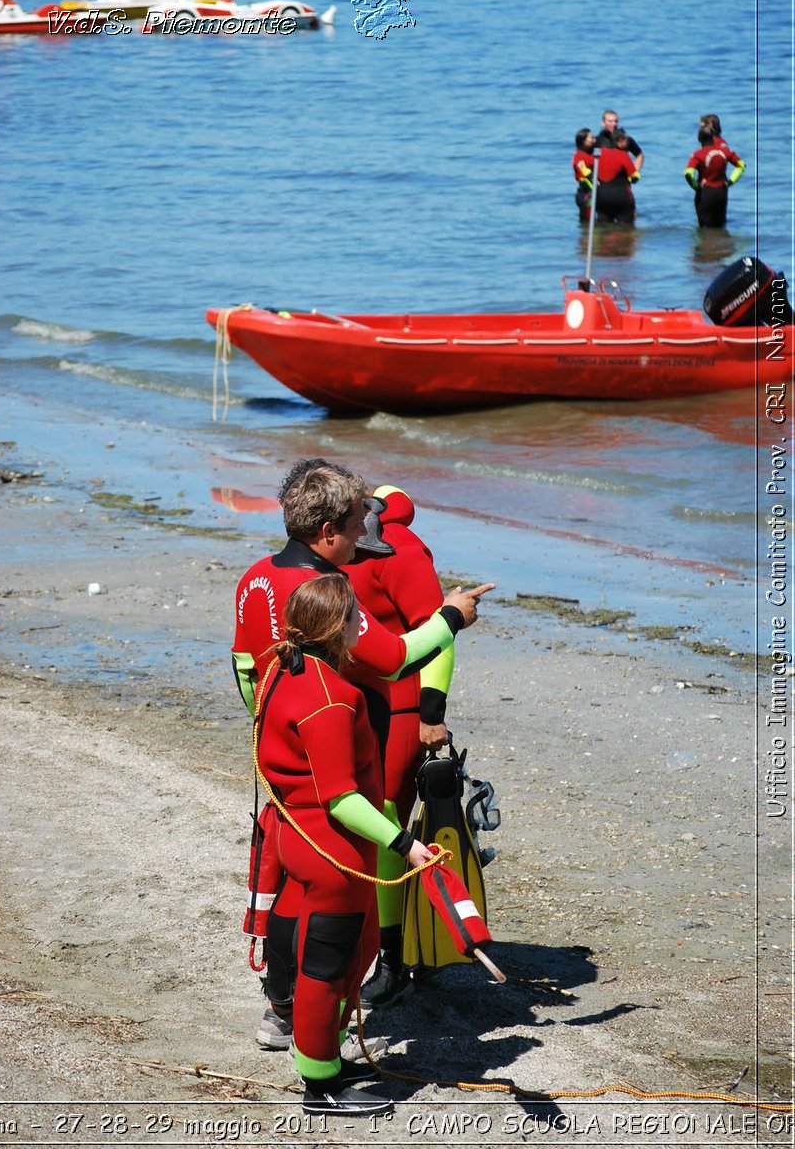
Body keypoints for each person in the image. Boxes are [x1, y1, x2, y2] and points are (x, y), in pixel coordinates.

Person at [233, 462, 492, 1049]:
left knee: (289, 885)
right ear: (327, 531)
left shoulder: (252, 578)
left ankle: (279, 1009)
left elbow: (244, 667)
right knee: (342, 904)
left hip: (280, 762)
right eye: (355, 527)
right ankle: (323, 1048)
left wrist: (272, 725)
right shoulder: (331, 594)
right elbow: (395, 656)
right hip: (337, 753)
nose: (364, 538)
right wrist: (453, 617)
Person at [255, 573, 434, 1117]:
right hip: (332, 851)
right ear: (336, 630)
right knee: (327, 969)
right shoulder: (332, 698)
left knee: (346, 959)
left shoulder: (280, 669)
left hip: (296, 837)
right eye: (357, 615)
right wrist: (403, 842)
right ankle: (321, 1086)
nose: (366, 623)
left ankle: (326, 1060)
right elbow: (340, 798)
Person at [344, 484, 454, 1007]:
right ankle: (389, 938)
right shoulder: (341, 547)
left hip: (403, 705)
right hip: (352, 701)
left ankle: (393, 961)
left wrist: (432, 713)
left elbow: (439, 632)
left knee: (384, 818)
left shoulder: (402, 554)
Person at [684, 123, 745, 228]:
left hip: (705, 192)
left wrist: (695, 186)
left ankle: (706, 243)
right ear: (712, 138)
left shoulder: (698, 154)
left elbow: (688, 173)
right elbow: (741, 165)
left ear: (699, 139)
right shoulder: (725, 151)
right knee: (720, 224)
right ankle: (723, 242)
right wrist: (730, 181)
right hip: (721, 191)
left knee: (704, 227)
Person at [596, 128, 640, 224]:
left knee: (603, 229)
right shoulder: (623, 155)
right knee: (627, 230)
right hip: (621, 197)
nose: (628, 142)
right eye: (626, 140)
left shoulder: (598, 153)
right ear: (620, 142)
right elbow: (635, 177)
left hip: (601, 198)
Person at [572, 128, 596, 223]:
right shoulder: (579, 156)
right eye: (591, 138)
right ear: (583, 141)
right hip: (586, 194)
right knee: (587, 224)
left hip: (591, 193)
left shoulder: (590, 154)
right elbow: (584, 170)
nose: (594, 140)